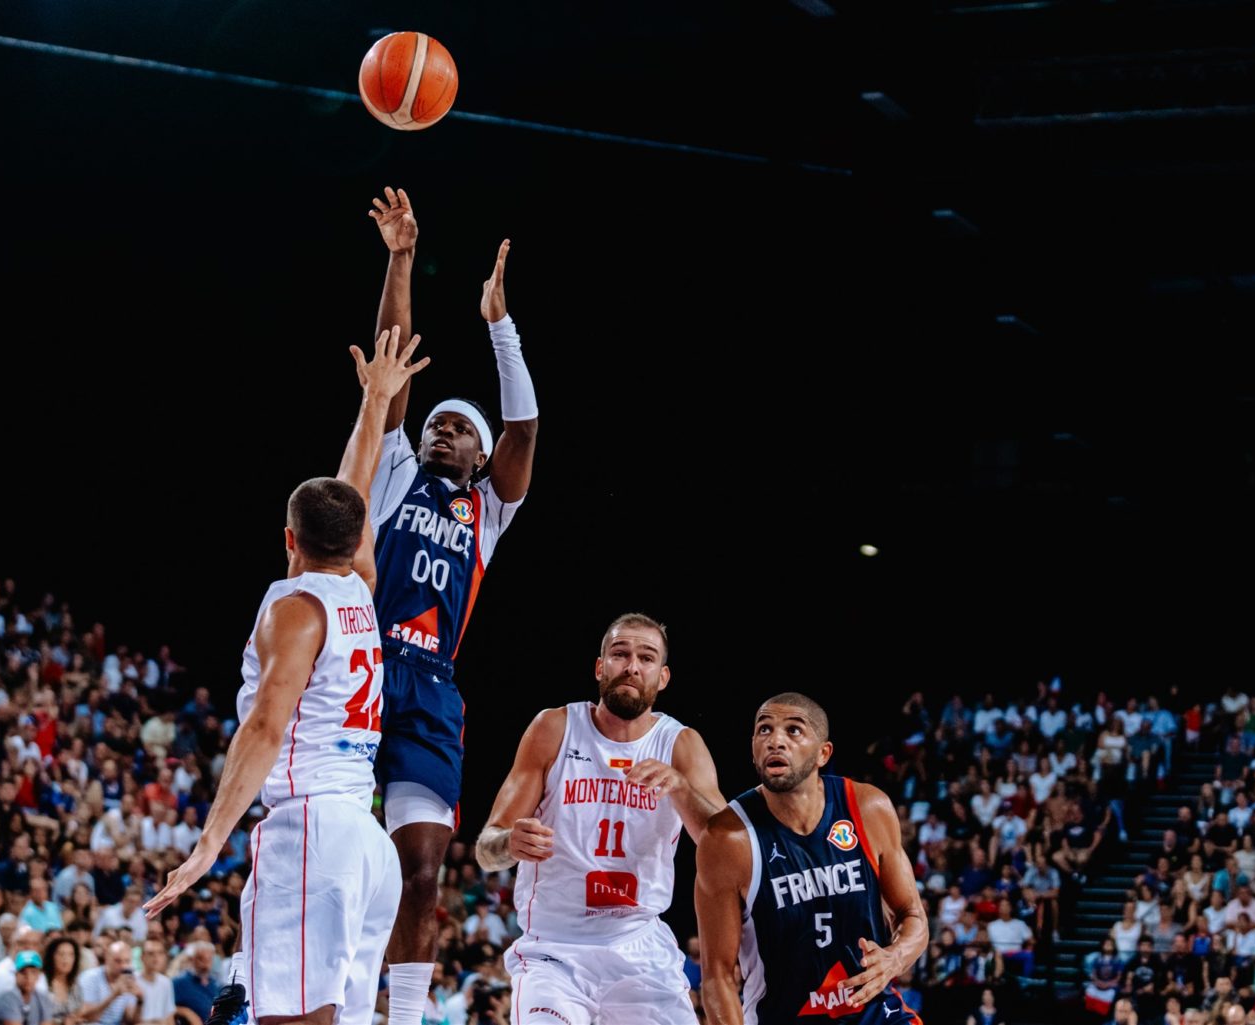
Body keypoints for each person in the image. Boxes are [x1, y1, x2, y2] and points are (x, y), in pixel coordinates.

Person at [145, 327, 428, 1025]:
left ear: (288, 538)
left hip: (311, 832)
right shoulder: (360, 586)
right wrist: (375, 402)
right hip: (365, 841)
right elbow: (354, 490)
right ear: (354, 540)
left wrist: (208, 844)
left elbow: (266, 727)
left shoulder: (296, 609)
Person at [360, 186, 539, 1025]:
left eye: (460, 428)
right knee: (338, 854)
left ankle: (403, 1016)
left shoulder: (488, 512)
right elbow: (391, 361)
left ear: (478, 453)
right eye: (436, 422)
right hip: (363, 668)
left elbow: (524, 431)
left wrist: (499, 325)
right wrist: (401, 258)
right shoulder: (395, 470)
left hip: (432, 687)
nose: (442, 430)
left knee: (422, 869)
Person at [473, 614, 723, 1024]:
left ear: (662, 677)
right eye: (620, 654)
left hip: (640, 949)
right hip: (555, 950)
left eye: (646, 658)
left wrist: (681, 788)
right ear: (599, 667)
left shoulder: (680, 745)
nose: (632, 666)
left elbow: (725, 849)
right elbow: (487, 850)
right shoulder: (554, 728)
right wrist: (509, 843)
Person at [696, 694, 928, 1024]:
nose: (775, 741)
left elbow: (912, 915)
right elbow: (717, 977)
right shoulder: (727, 838)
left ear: (823, 753)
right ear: (753, 749)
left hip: (875, 1014)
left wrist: (895, 957)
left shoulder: (868, 807)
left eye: (793, 730)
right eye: (764, 729)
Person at [0, 954, 50, 1025]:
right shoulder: (8, 996)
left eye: (33, 972)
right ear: (15, 974)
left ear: (39, 975)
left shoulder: (42, 997)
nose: (28, 977)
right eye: (23, 972)